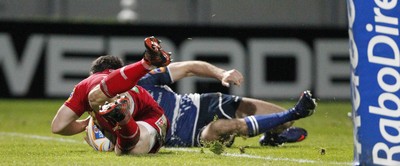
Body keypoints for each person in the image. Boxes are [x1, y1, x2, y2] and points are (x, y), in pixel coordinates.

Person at [84, 55, 317, 150]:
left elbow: (190, 67)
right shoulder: (104, 112)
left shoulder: (144, 79)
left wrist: (222, 73)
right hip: (191, 135)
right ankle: (292, 113)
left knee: (283, 126)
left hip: (204, 104)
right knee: (219, 129)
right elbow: (108, 141)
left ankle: (274, 133)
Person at [51, 36, 172, 155]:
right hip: (152, 119)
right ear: (120, 70)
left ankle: (146, 63)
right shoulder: (131, 81)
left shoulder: (85, 84)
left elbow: (58, 126)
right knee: (127, 151)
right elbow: (57, 127)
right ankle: (123, 118)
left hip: (132, 103)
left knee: (96, 97)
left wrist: (85, 123)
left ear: (93, 72)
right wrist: (88, 122)